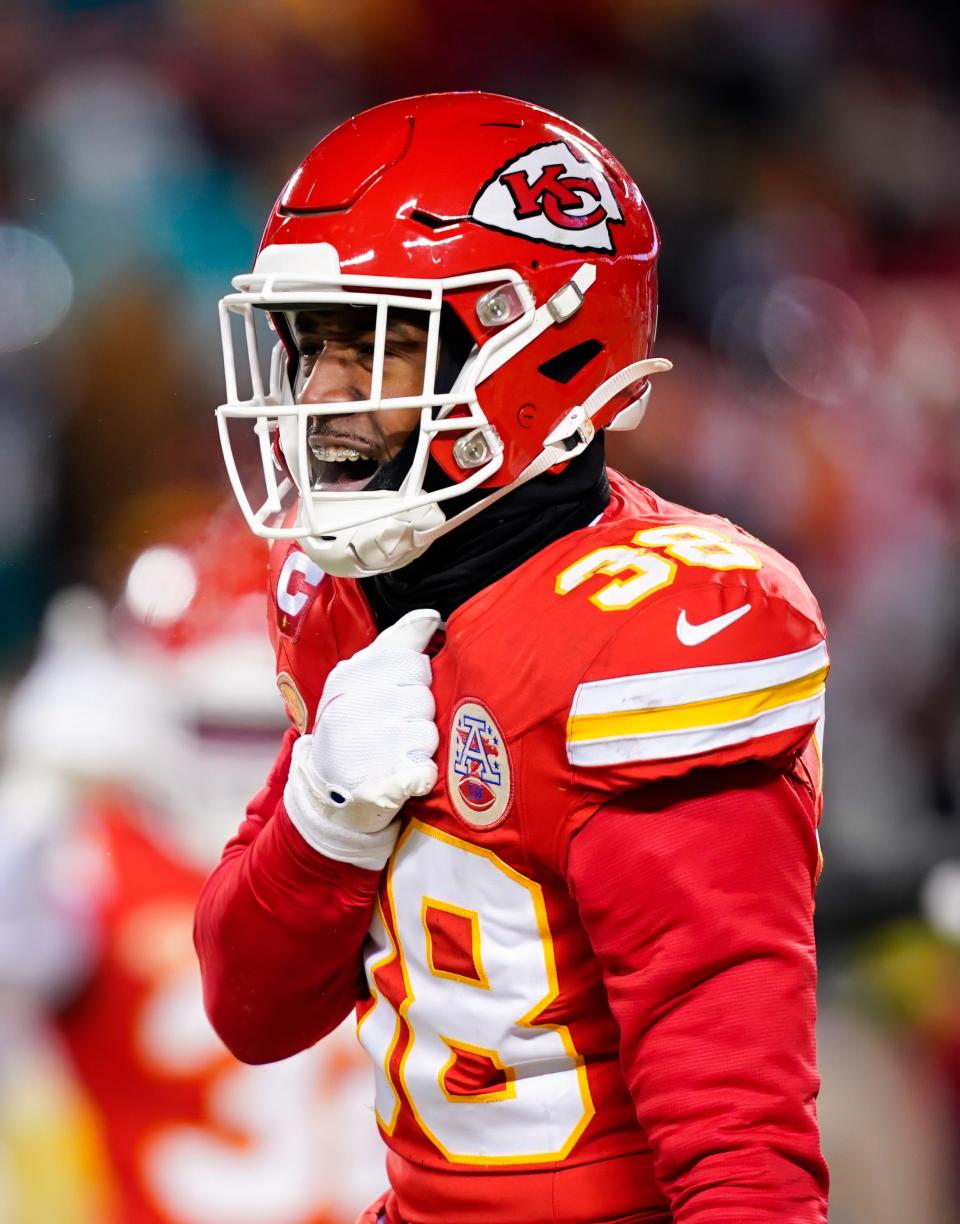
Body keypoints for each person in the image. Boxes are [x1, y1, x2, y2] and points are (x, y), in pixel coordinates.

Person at [196, 92, 830, 1223]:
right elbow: (250, 1010)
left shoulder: (654, 630)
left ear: (534, 344)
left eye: (379, 341)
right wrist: (320, 827)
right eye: (312, 341)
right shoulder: (347, 592)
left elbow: (737, 1143)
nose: (323, 400)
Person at [0, 521, 385, 1224]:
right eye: (217, 725)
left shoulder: (410, 838)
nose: (244, 760)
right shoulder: (93, 857)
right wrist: (37, 794)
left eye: (270, 726)